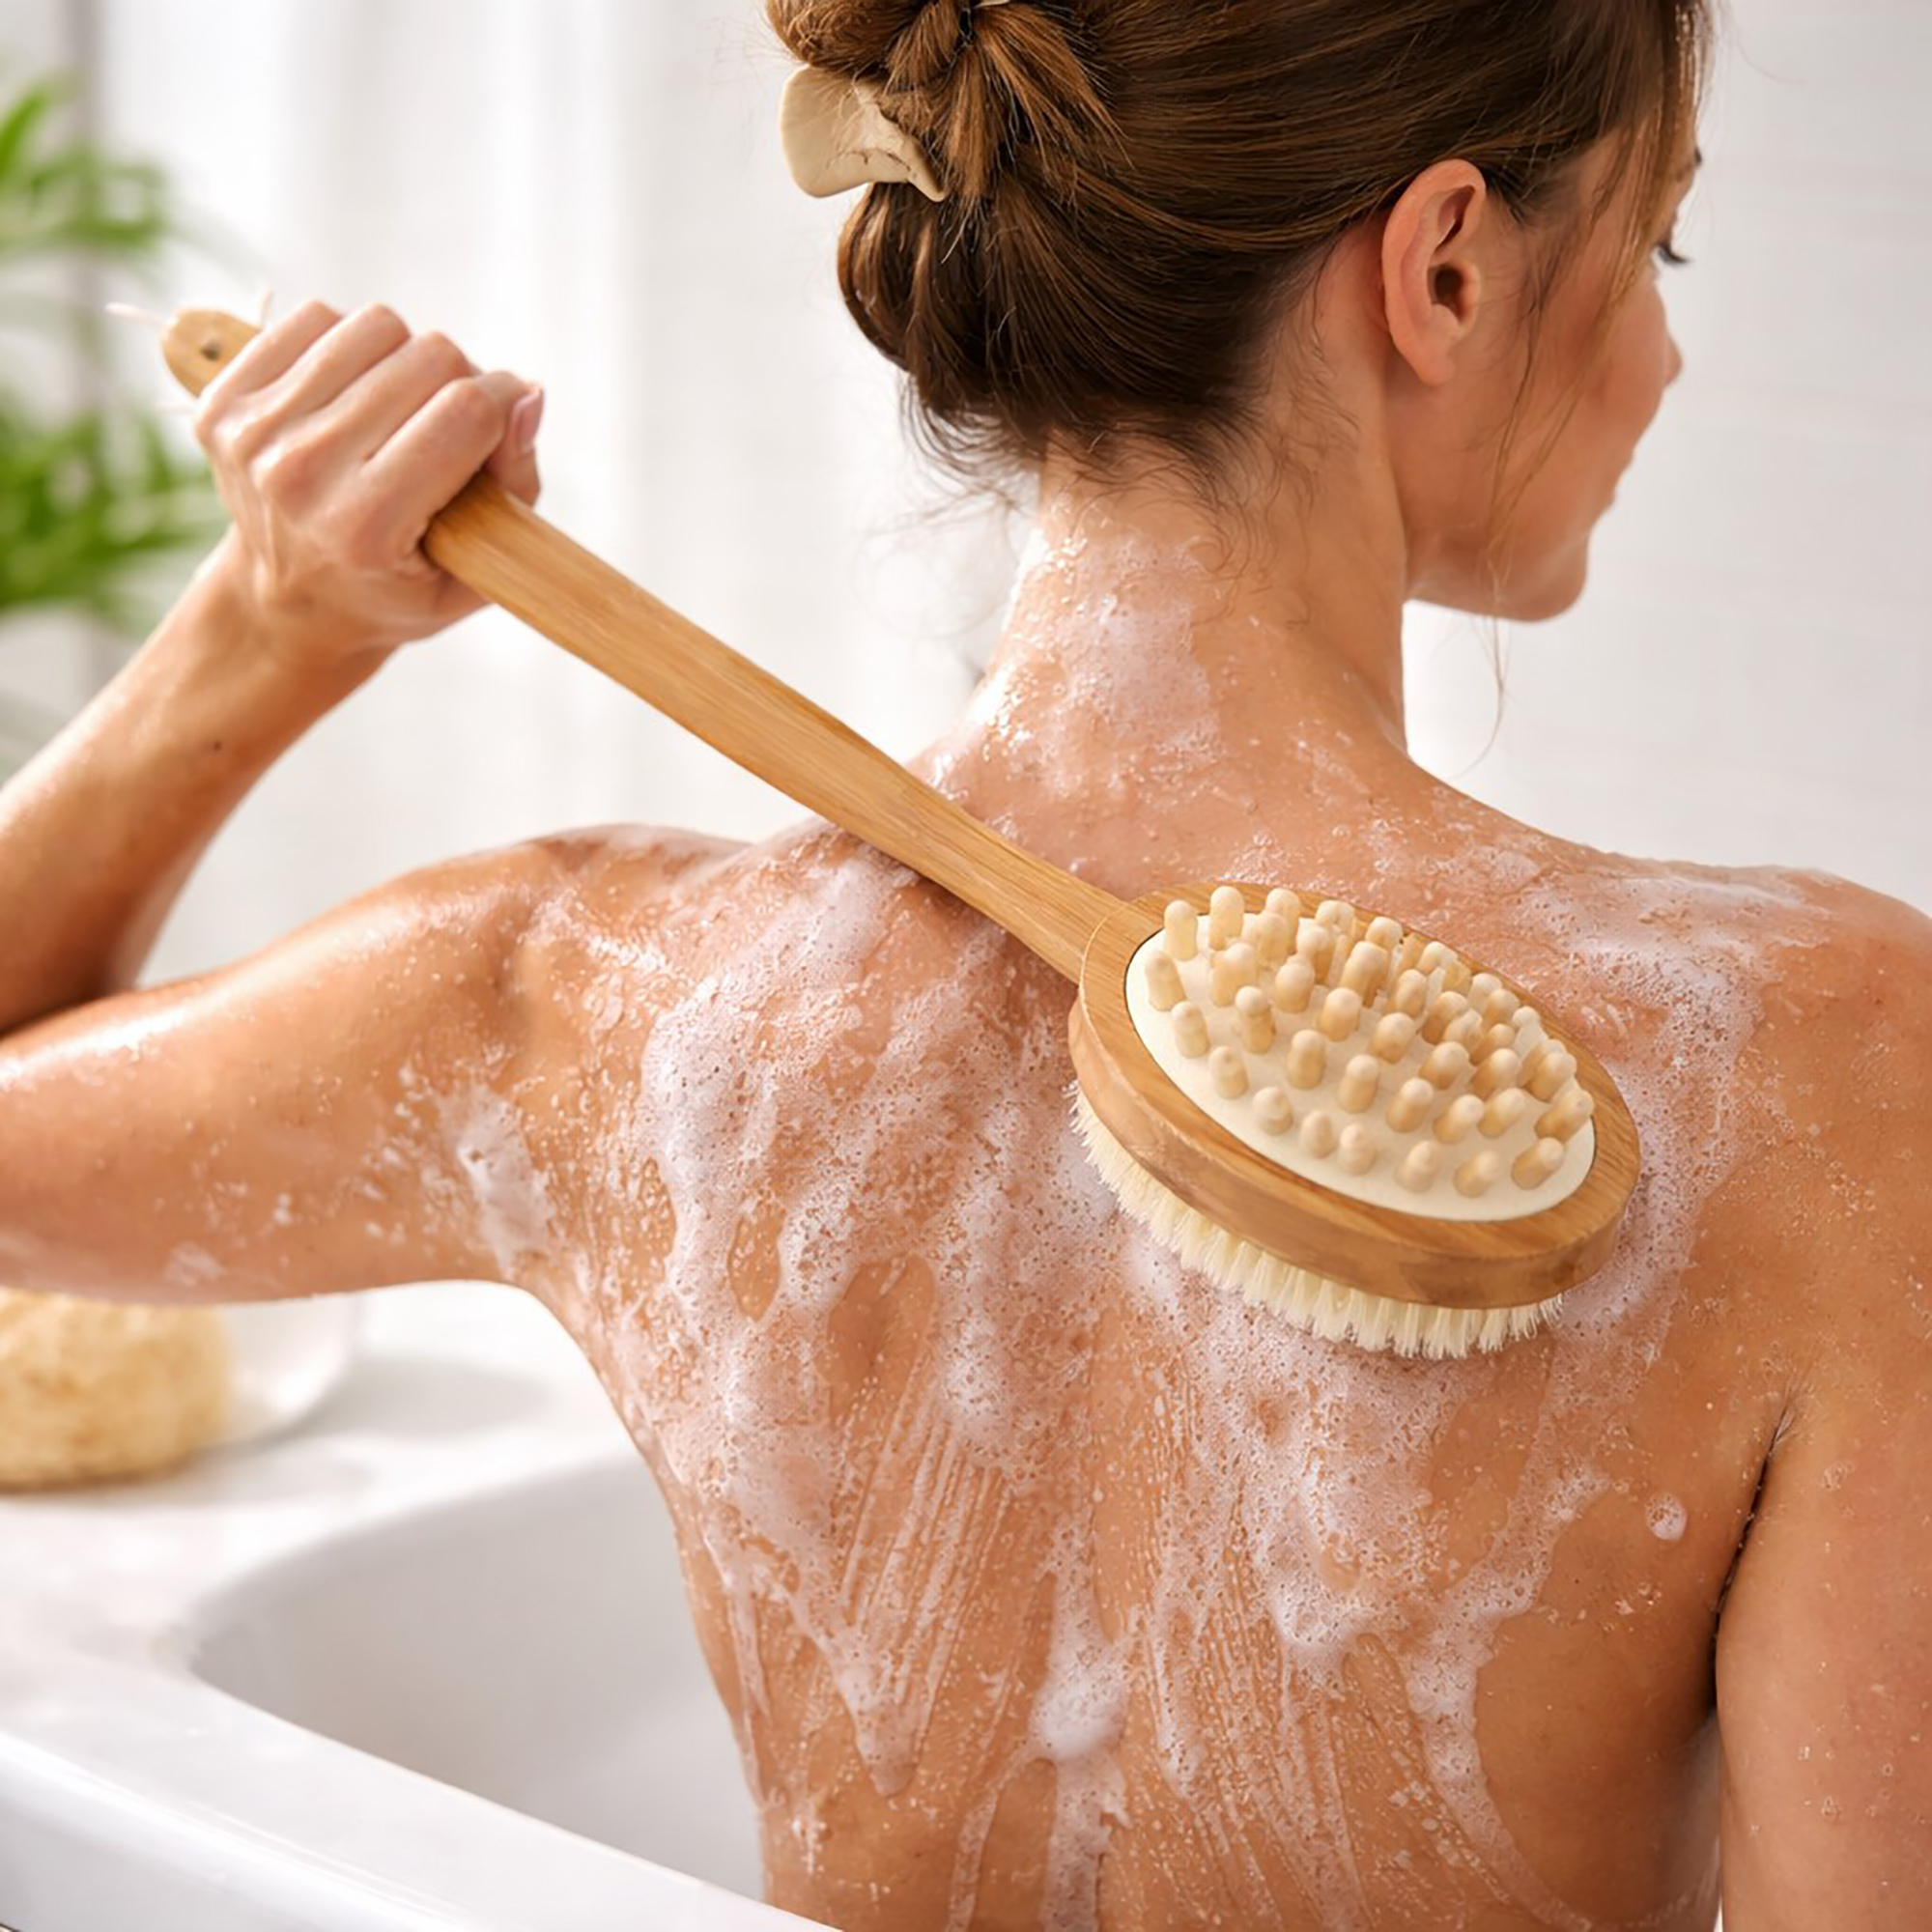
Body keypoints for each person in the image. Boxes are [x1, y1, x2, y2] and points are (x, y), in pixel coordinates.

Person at [1, 1, 1927, 1925]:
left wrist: (259, 629)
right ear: (1438, 267)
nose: (1663, 347)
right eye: (1653, 239)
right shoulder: (1820, 1075)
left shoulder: (574, 1003)